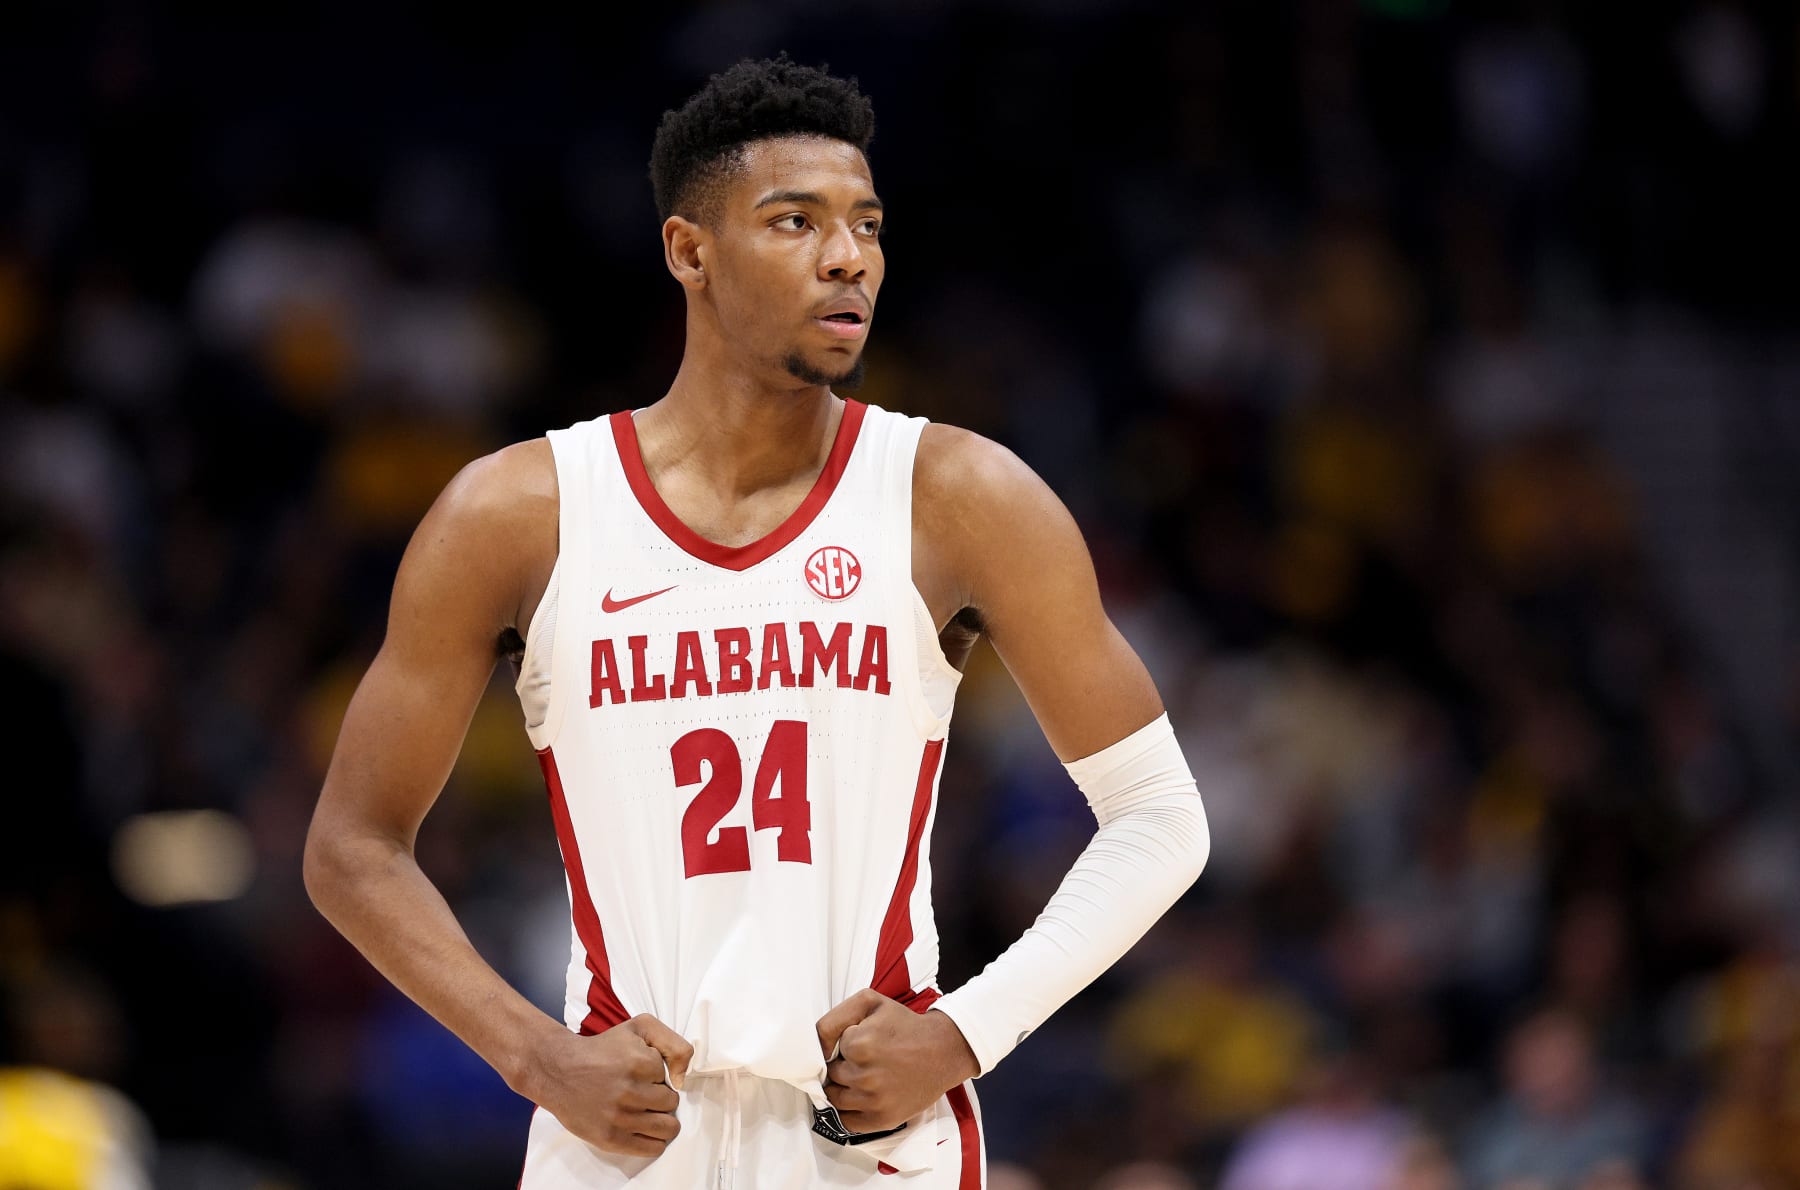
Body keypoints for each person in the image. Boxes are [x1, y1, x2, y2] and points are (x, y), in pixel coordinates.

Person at [303, 55, 1211, 1188]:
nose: (849, 256)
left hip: (871, 1137)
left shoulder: (959, 494)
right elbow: (350, 847)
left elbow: (1160, 817)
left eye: (867, 226)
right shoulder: (518, 511)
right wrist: (539, 1056)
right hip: (620, 1133)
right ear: (690, 250)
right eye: (796, 221)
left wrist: (965, 1032)